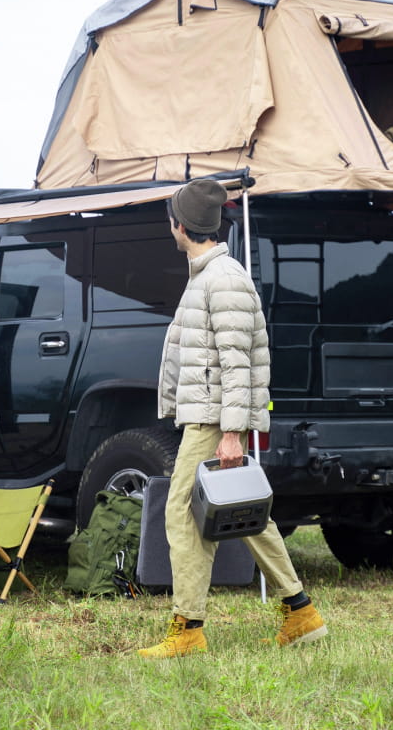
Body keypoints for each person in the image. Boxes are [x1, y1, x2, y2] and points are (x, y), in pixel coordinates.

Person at [133, 176, 322, 657]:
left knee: (182, 512)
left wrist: (233, 433)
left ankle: (188, 628)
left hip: (215, 420)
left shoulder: (224, 279)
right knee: (243, 511)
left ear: (180, 226)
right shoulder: (209, 276)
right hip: (211, 415)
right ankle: (300, 611)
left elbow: (238, 362)